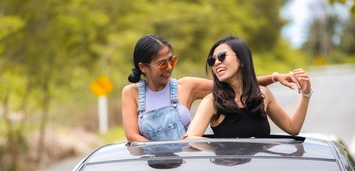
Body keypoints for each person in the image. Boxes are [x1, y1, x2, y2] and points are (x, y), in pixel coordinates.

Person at [122, 34, 303, 142]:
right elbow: (132, 137)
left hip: (186, 163)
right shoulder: (131, 93)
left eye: (172, 60)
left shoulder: (187, 86)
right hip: (150, 165)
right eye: (162, 64)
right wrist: (162, 155)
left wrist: (274, 77)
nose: (169, 67)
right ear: (143, 67)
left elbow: (237, 83)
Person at [183, 36, 313, 139]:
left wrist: (306, 94)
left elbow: (292, 128)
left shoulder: (263, 94)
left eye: (222, 56)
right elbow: (190, 139)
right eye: (212, 60)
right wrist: (224, 145)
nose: (216, 63)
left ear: (241, 60)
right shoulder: (212, 101)